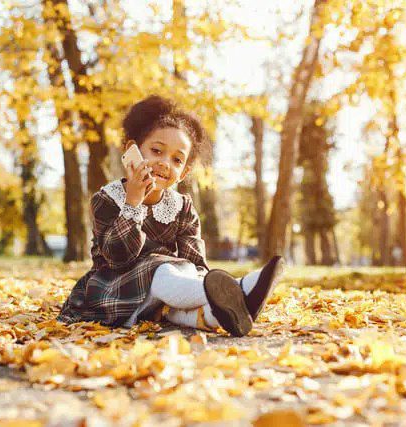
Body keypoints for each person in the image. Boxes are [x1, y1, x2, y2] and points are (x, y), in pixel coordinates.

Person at [57, 95, 285, 336]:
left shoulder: (182, 207)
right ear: (131, 150)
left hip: (164, 299)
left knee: (184, 274)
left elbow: (197, 264)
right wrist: (133, 201)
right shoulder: (107, 198)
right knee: (163, 270)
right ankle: (242, 289)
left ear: (184, 172)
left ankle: (224, 314)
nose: (165, 163)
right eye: (156, 151)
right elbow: (117, 257)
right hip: (115, 291)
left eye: (176, 160)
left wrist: (193, 278)